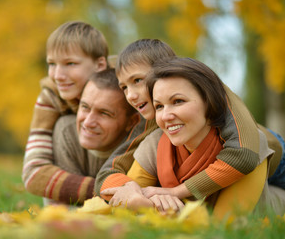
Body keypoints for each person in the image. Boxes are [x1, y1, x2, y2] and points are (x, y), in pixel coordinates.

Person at [95, 39, 283, 208]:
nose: (130, 95)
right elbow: (108, 172)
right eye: (124, 87)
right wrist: (130, 189)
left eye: (137, 81)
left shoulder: (212, 92)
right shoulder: (149, 124)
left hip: (275, 157)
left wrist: (177, 192)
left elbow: (245, 154)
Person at [22, 21, 109, 203]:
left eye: (70, 63)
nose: (58, 75)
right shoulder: (50, 98)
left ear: (100, 65)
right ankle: (63, 211)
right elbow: (33, 172)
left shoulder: (123, 87)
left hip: (122, 174)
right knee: (64, 126)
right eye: (52, 64)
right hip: (89, 190)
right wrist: (104, 191)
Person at [51, 68, 139, 204]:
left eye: (104, 113)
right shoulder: (66, 132)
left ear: (131, 122)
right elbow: (62, 204)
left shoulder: (140, 146)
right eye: (85, 107)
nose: (88, 122)